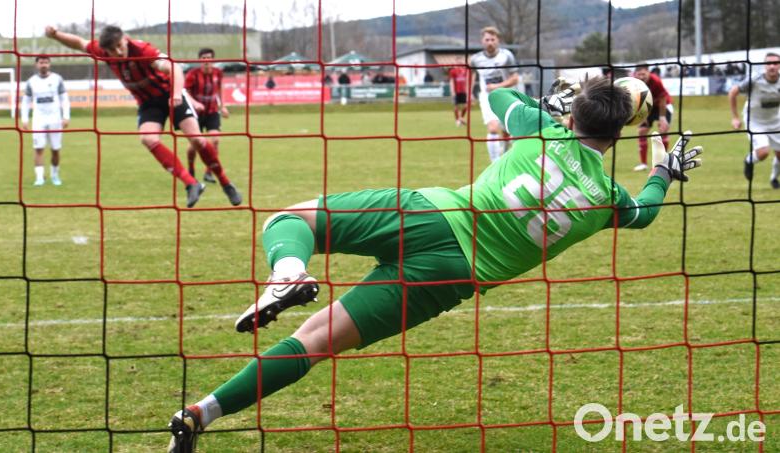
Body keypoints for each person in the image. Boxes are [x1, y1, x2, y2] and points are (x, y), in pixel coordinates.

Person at [166, 77, 702, 452]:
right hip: (449, 278)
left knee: (292, 220)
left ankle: (287, 272)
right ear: (619, 133)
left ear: (576, 111)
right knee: (315, 341)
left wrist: (550, 104)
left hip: (429, 212)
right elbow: (646, 213)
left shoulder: (541, 127)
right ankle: (200, 415)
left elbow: (498, 95)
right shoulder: (609, 197)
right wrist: (662, 170)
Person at [44, 25, 242, 207]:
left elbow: (174, 68)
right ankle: (191, 184)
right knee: (147, 138)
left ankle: (226, 183)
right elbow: (80, 43)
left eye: (120, 46)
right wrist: (55, 35)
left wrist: (175, 94)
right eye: (112, 50)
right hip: (148, 104)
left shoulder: (143, 51)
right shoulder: (103, 51)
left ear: (126, 39)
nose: (118, 52)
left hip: (170, 94)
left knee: (198, 141)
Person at [729, 52, 780, 188]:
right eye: (769, 63)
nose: (772, 66)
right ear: (764, 65)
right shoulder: (754, 80)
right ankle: (749, 160)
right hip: (755, 121)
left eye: (775, 63)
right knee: (763, 153)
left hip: (775, 121)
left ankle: (774, 179)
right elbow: (733, 92)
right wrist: (735, 117)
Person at [469, 26, 519, 163]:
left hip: (506, 95)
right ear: (482, 41)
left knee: (509, 129)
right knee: (493, 127)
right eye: (487, 39)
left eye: (492, 39)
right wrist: (470, 94)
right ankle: (495, 164)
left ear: (498, 40)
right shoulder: (475, 59)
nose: (489, 42)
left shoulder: (507, 56)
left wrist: (497, 86)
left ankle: (505, 148)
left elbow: (515, 78)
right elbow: (471, 75)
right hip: (486, 97)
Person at [21, 55, 70, 186]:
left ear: (50, 64)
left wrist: (66, 116)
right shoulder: (31, 81)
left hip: (55, 119)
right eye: (41, 62)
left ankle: (55, 176)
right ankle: (39, 178)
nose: (44, 65)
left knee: (55, 149)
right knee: (38, 148)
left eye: (46, 62)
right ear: (36, 65)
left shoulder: (57, 79)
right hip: (39, 120)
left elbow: (64, 99)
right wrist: (25, 119)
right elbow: (26, 101)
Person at [184, 48, 229, 185]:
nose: (206, 61)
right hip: (195, 114)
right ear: (199, 60)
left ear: (213, 60)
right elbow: (185, 92)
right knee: (193, 146)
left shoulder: (218, 73)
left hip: (212, 112)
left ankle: (209, 172)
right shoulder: (192, 74)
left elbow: (220, 89)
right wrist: (195, 103)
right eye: (203, 58)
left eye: (208, 58)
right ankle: (191, 170)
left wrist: (223, 106)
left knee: (215, 140)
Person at [632, 63, 673, 172]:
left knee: (663, 130)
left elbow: (663, 99)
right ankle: (643, 164)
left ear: (648, 72)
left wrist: (662, 118)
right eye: (639, 74)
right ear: (636, 74)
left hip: (663, 106)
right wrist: (642, 115)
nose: (641, 77)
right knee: (642, 131)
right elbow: (636, 100)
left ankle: (664, 163)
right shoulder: (634, 82)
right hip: (648, 107)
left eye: (643, 74)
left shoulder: (656, 81)